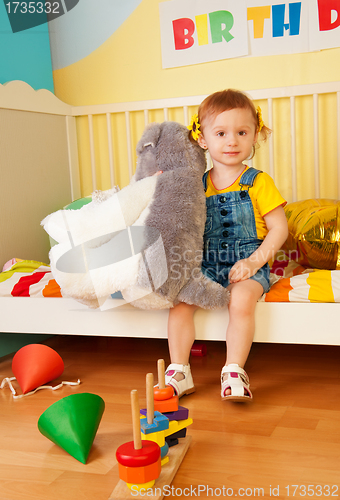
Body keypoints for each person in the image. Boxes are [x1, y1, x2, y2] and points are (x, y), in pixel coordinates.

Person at [163, 89, 288, 402]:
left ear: (254, 136)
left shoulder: (259, 181)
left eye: (242, 132)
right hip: (208, 262)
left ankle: (234, 369)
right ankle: (179, 370)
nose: (232, 141)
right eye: (221, 133)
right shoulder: (198, 184)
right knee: (180, 301)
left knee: (242, 300)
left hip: (248, 259)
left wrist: (254, 263)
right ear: (203, 139)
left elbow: (279, 229)